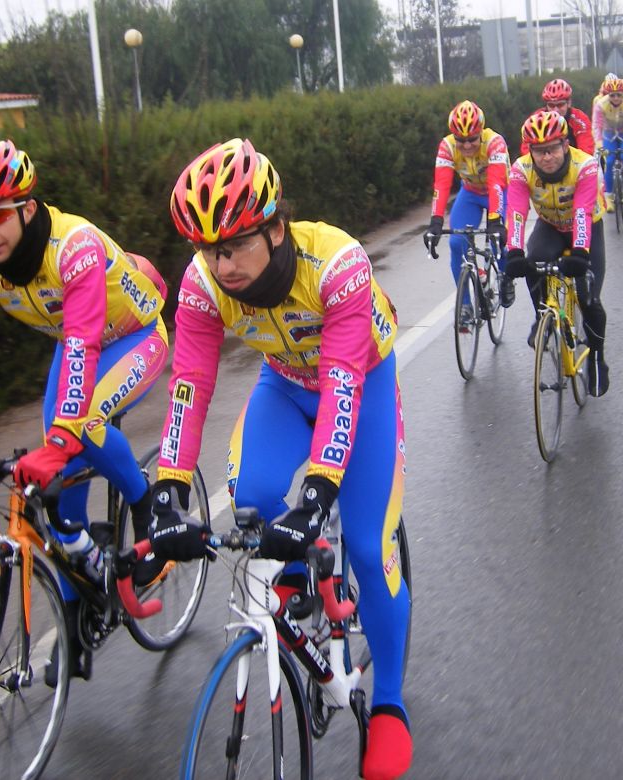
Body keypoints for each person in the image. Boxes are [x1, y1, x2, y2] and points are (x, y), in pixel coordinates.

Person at [150, 138, 412, 780]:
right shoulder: (203, 283)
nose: (222, 264)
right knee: (252, 496)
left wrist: (317, 495)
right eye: (208, 249)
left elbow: (344, 384)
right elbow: (189, 385)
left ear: (274, 228)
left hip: (360, 385)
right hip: (287, 386)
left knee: (368, 549)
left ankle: (388, 703)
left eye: (235, 245)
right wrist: (167, 490)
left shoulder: (335, 264)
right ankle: (302, 572)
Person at [0, 139, 170, 685]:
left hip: (133, 337)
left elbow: (82, 344)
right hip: (76, 343)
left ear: (27, 209)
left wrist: (60, 439)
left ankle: (147, 503)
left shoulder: (73, 246)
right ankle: (77, 615)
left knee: (79, 426)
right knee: (57, 496)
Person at [505, 111, 610, 397]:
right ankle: (543, 317)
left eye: (552, 149)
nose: (547, 157)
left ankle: (597, 357)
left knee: (588, 297)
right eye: (539, 151)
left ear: (565, 145)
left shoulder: (585, 166)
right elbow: (516, 212)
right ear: (530, 151)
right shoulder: (521, 169)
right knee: (533, 262)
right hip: (550, 225)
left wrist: (580, 253)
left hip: (586, 227)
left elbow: (582, 211)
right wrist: (513, 251)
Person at [423, 99, 514, 316]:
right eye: (460, 140)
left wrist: (495, 221)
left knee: (503, 242)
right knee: (456, 244)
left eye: (472, 139)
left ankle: (506, 278)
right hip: (471, 194)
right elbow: (441, 185)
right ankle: (465, 305)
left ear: (481, 132)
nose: (466, 146)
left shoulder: (495, 143)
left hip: (501, 191)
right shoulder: (447, 146)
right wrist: (435, 222)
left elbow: (496, 183)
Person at [591, 77, 623, 210]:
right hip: (608, 134)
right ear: (607, 95)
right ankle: (609, 197)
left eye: (619, 95)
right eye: (612, 95)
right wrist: (599, 145)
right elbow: (596, 125)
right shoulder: (601, 104)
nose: (616, 98)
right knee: (608, 162)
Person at [520, 78, 595, 157]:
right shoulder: (536, 119)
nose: (555, 110)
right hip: (542, 161)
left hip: (573, 160)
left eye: (560, 105)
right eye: (551, 105)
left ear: (569, 103)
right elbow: (526, 149)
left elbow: (586, 149)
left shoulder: (579, 119)